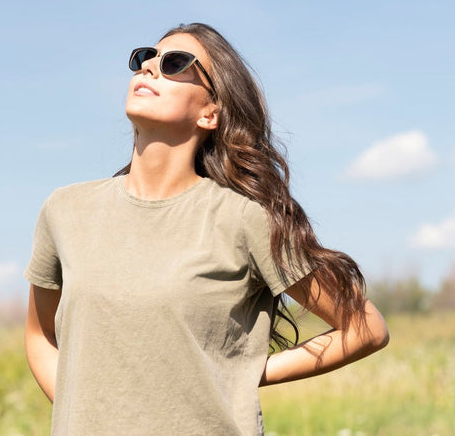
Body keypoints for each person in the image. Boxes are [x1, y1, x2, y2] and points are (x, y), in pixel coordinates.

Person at [23, 22, 389, 435]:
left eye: (175, 63)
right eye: (145, 58)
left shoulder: (245, 219)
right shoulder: (66, 210)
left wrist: (244, 374)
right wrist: (90, 411)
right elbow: (40, 338)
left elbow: (364, 328)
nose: (150, 69)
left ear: (210, 112)